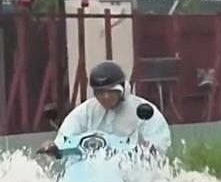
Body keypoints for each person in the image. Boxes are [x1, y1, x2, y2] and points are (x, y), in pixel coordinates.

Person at [39, 60, 171, 157]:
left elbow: (160, 144)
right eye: (100, 92)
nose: (106, 97)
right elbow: (65, 137)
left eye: (111, 91)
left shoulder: (142, 110)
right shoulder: (85, 112)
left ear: (123, 88)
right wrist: (53, 147)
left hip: (134, 176)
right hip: (91, 175)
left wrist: (145, 151)